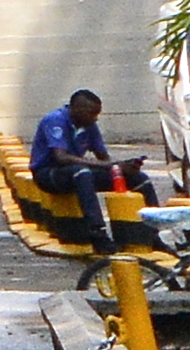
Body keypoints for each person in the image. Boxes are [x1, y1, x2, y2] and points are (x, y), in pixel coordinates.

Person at [33, 88, 135, 240]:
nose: (95, 119)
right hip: (48, 173)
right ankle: (97, 231)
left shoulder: (90, 126)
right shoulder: (55, 120)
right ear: (77, 110)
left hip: (74, 173)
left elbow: (104, 158)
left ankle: (151, 233)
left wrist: (120, 168)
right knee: (82, 173)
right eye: (92, 113)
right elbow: (61, 157)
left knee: (137, 178)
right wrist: (105, 165)